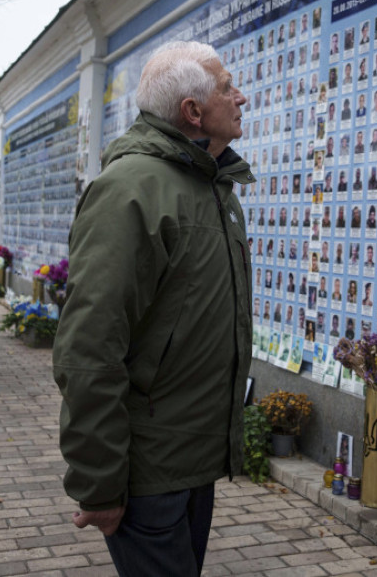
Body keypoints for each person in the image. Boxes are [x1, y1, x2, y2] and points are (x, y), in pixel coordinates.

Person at [51, 42, 252, 576]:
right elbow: (90, 344)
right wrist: (98, 481)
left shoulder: (212, 186)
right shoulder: (130, 191)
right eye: (227, 88)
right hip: (146, 471)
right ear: (193, 111)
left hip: (191, 461)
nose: (241, 98)